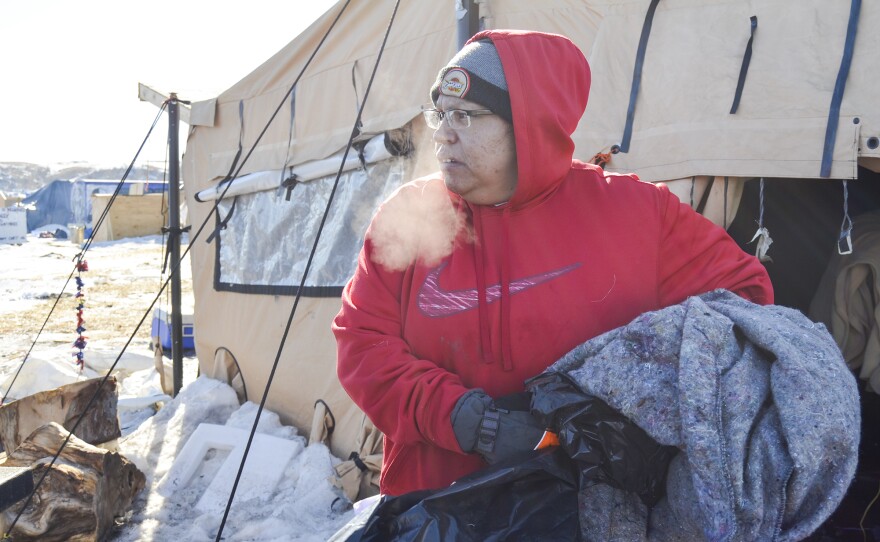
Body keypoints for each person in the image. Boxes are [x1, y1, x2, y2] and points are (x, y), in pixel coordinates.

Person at [332, 29, 773, 497]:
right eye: (439, 113)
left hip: (587, 506)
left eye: (464, 115)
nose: (441, 134)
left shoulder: (636, 214)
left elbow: (744, 298)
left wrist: (630, 388)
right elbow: (362, 344)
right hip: (435, 507)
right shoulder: (408, 216)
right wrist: (465, 420)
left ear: (528, 123)